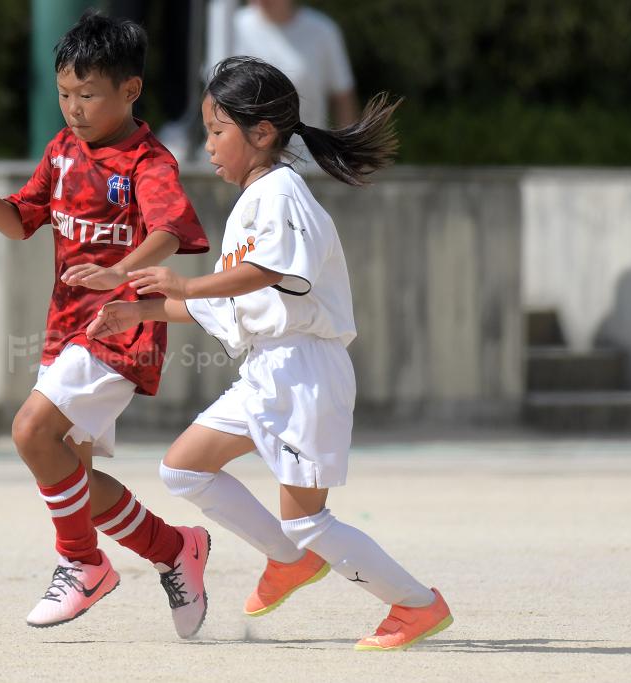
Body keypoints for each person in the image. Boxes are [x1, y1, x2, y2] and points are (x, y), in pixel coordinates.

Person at [86, 56, 453, 651]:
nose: (207, 145)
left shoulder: (281, 192)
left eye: (216, 130)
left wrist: (181, 285)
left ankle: (415, 605)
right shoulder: (257, 197)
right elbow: (235, 302)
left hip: (304, 371)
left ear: (261, 134)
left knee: (309, 520)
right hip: (269, 369)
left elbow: (262, 275)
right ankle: (289, 560)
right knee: (183, 467)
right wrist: (140, 312)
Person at [0, 11, 212, 637]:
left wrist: (117, 272)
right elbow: (20, 222)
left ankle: (82, 564)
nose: (73, 107)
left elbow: (171, 232)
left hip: (123, 329)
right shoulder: (62, 152)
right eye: (65, 93)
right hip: (65, 330)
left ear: (130, 91)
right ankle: (175, 548)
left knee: (30, 431)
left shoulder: (148, 162)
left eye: (88, 95)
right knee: (73, 471)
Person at [233, 0, 357, 168]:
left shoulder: (323, 31)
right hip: (245, 164)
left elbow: (342, 97)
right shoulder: (232, 27)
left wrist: (348, 158)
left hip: (309, 163)